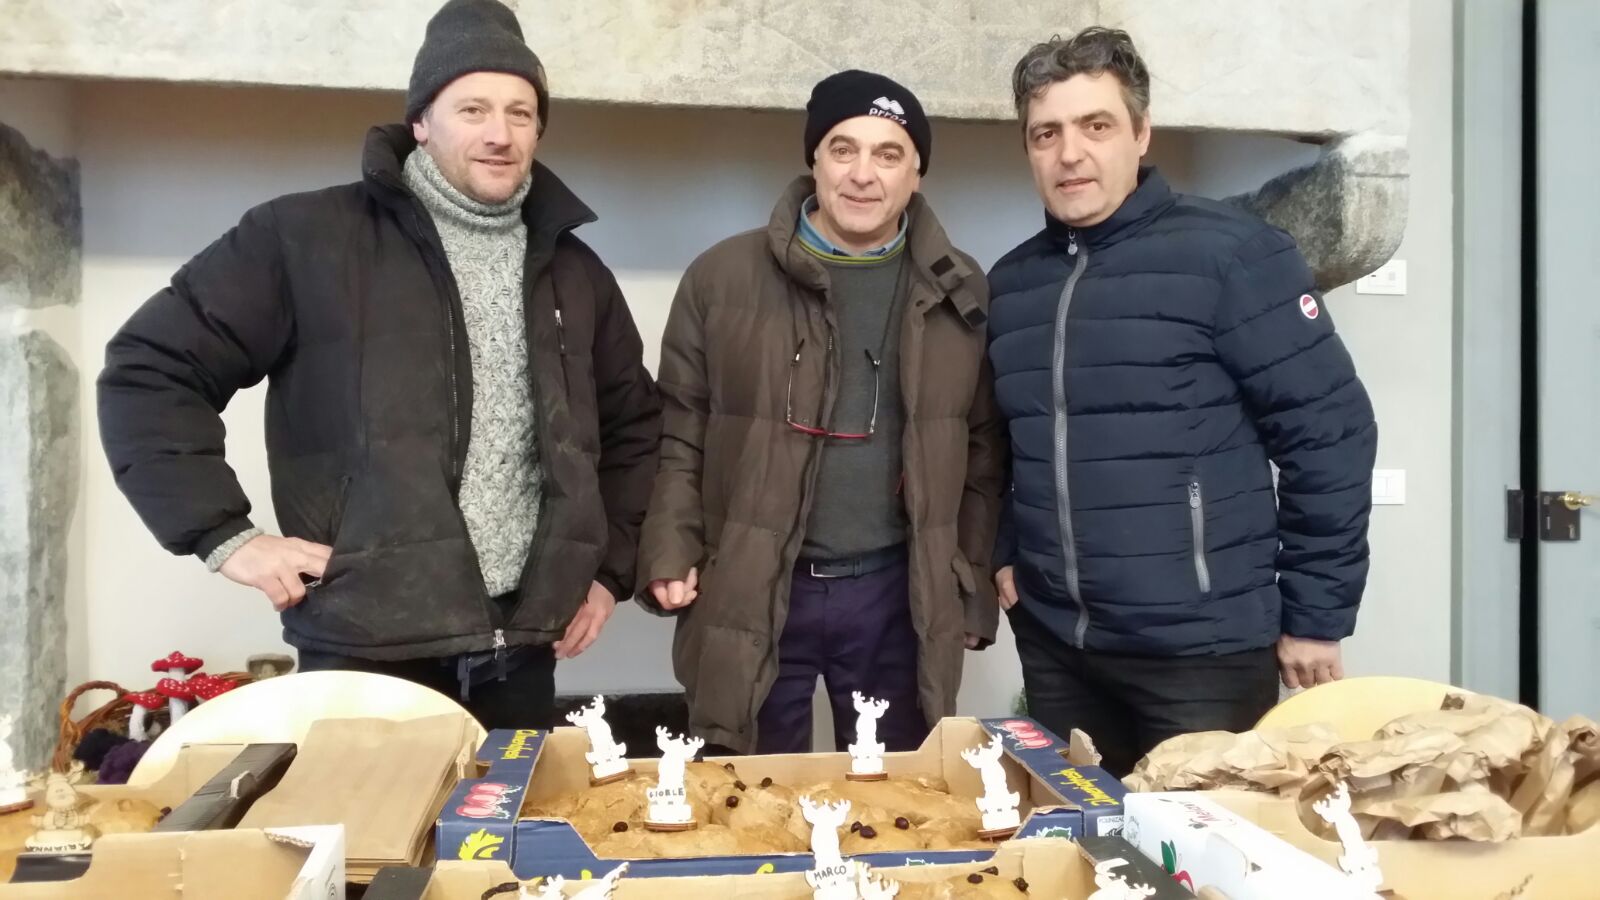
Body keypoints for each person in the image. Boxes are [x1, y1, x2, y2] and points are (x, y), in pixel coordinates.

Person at [96, 0, 661, 730]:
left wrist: (609, 574)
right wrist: (223, 536)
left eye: (520, 113)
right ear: (421, 121)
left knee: (496, 813)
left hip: (521, 655)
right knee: (367, 813)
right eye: (473, 109)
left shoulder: (576, 273)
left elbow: (634, 428)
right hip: (364, 648)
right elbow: (152, 367)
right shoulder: (303, 239)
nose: (499, 133)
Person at [987, 28, 1378, 776]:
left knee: (1201, 847)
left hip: (1202, 655)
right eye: (1047, 133)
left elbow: (1330, 435)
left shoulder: (1235, 257)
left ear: (1140, 133)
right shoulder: (1012, 285)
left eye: (1096, 126)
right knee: (1080, 841)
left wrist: (1317, 615)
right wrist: (1006, 547)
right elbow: (1012, 441)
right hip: (1060, 649)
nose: (1070, 153)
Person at [638, 71, 1006, 754]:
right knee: (750, 790)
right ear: (814, 160)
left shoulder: (960, 289)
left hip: (898, 594)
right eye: (843, 149)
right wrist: (670, 546)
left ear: (917, 172)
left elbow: (983, 451)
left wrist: (970, 585)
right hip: (755, 580)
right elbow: (679, 431)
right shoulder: (720, 277)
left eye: (888, 154)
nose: (863, 174)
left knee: (893, 792)